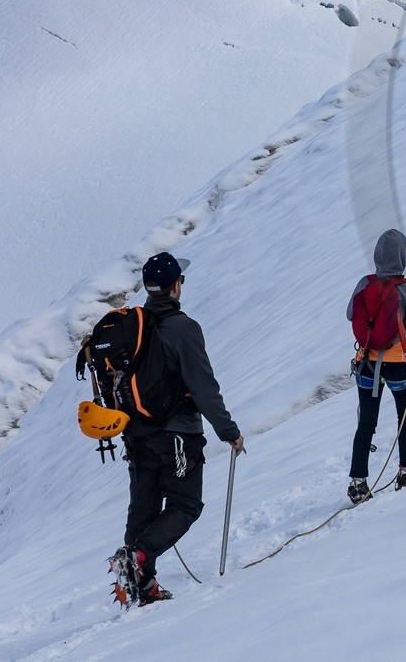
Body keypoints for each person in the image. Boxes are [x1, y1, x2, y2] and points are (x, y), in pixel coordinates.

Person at [113, 252, 245, 607]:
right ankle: (138, 558)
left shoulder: (131, 328)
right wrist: (229, 431)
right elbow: (203, 387)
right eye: (180, 280)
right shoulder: (184, 329)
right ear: (175, 286)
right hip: (176, 433)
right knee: (185, 504)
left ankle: (141, 584)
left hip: (135, 433)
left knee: (143, 508)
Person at [346, 228, 406, 504]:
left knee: (366, 422)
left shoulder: (364, 283)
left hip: (366, 363)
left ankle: (358, 484)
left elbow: (350, 315)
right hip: (397, 364)